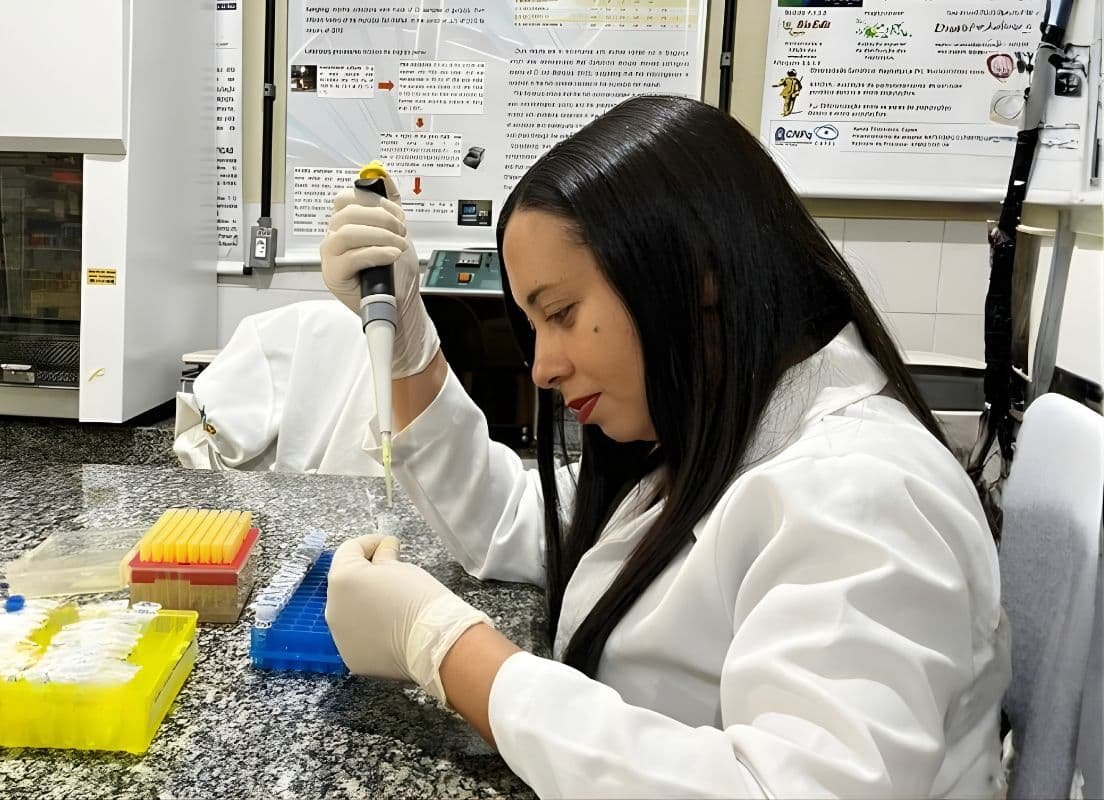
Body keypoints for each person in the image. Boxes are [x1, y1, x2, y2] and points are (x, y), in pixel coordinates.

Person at [317, 95, 1010, 798]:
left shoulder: (860, 496)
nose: (543, 368)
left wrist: (445, 648)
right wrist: (408, 337)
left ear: (695, 270)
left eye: (560, 313)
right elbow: (513, 523)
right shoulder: (719, 431)